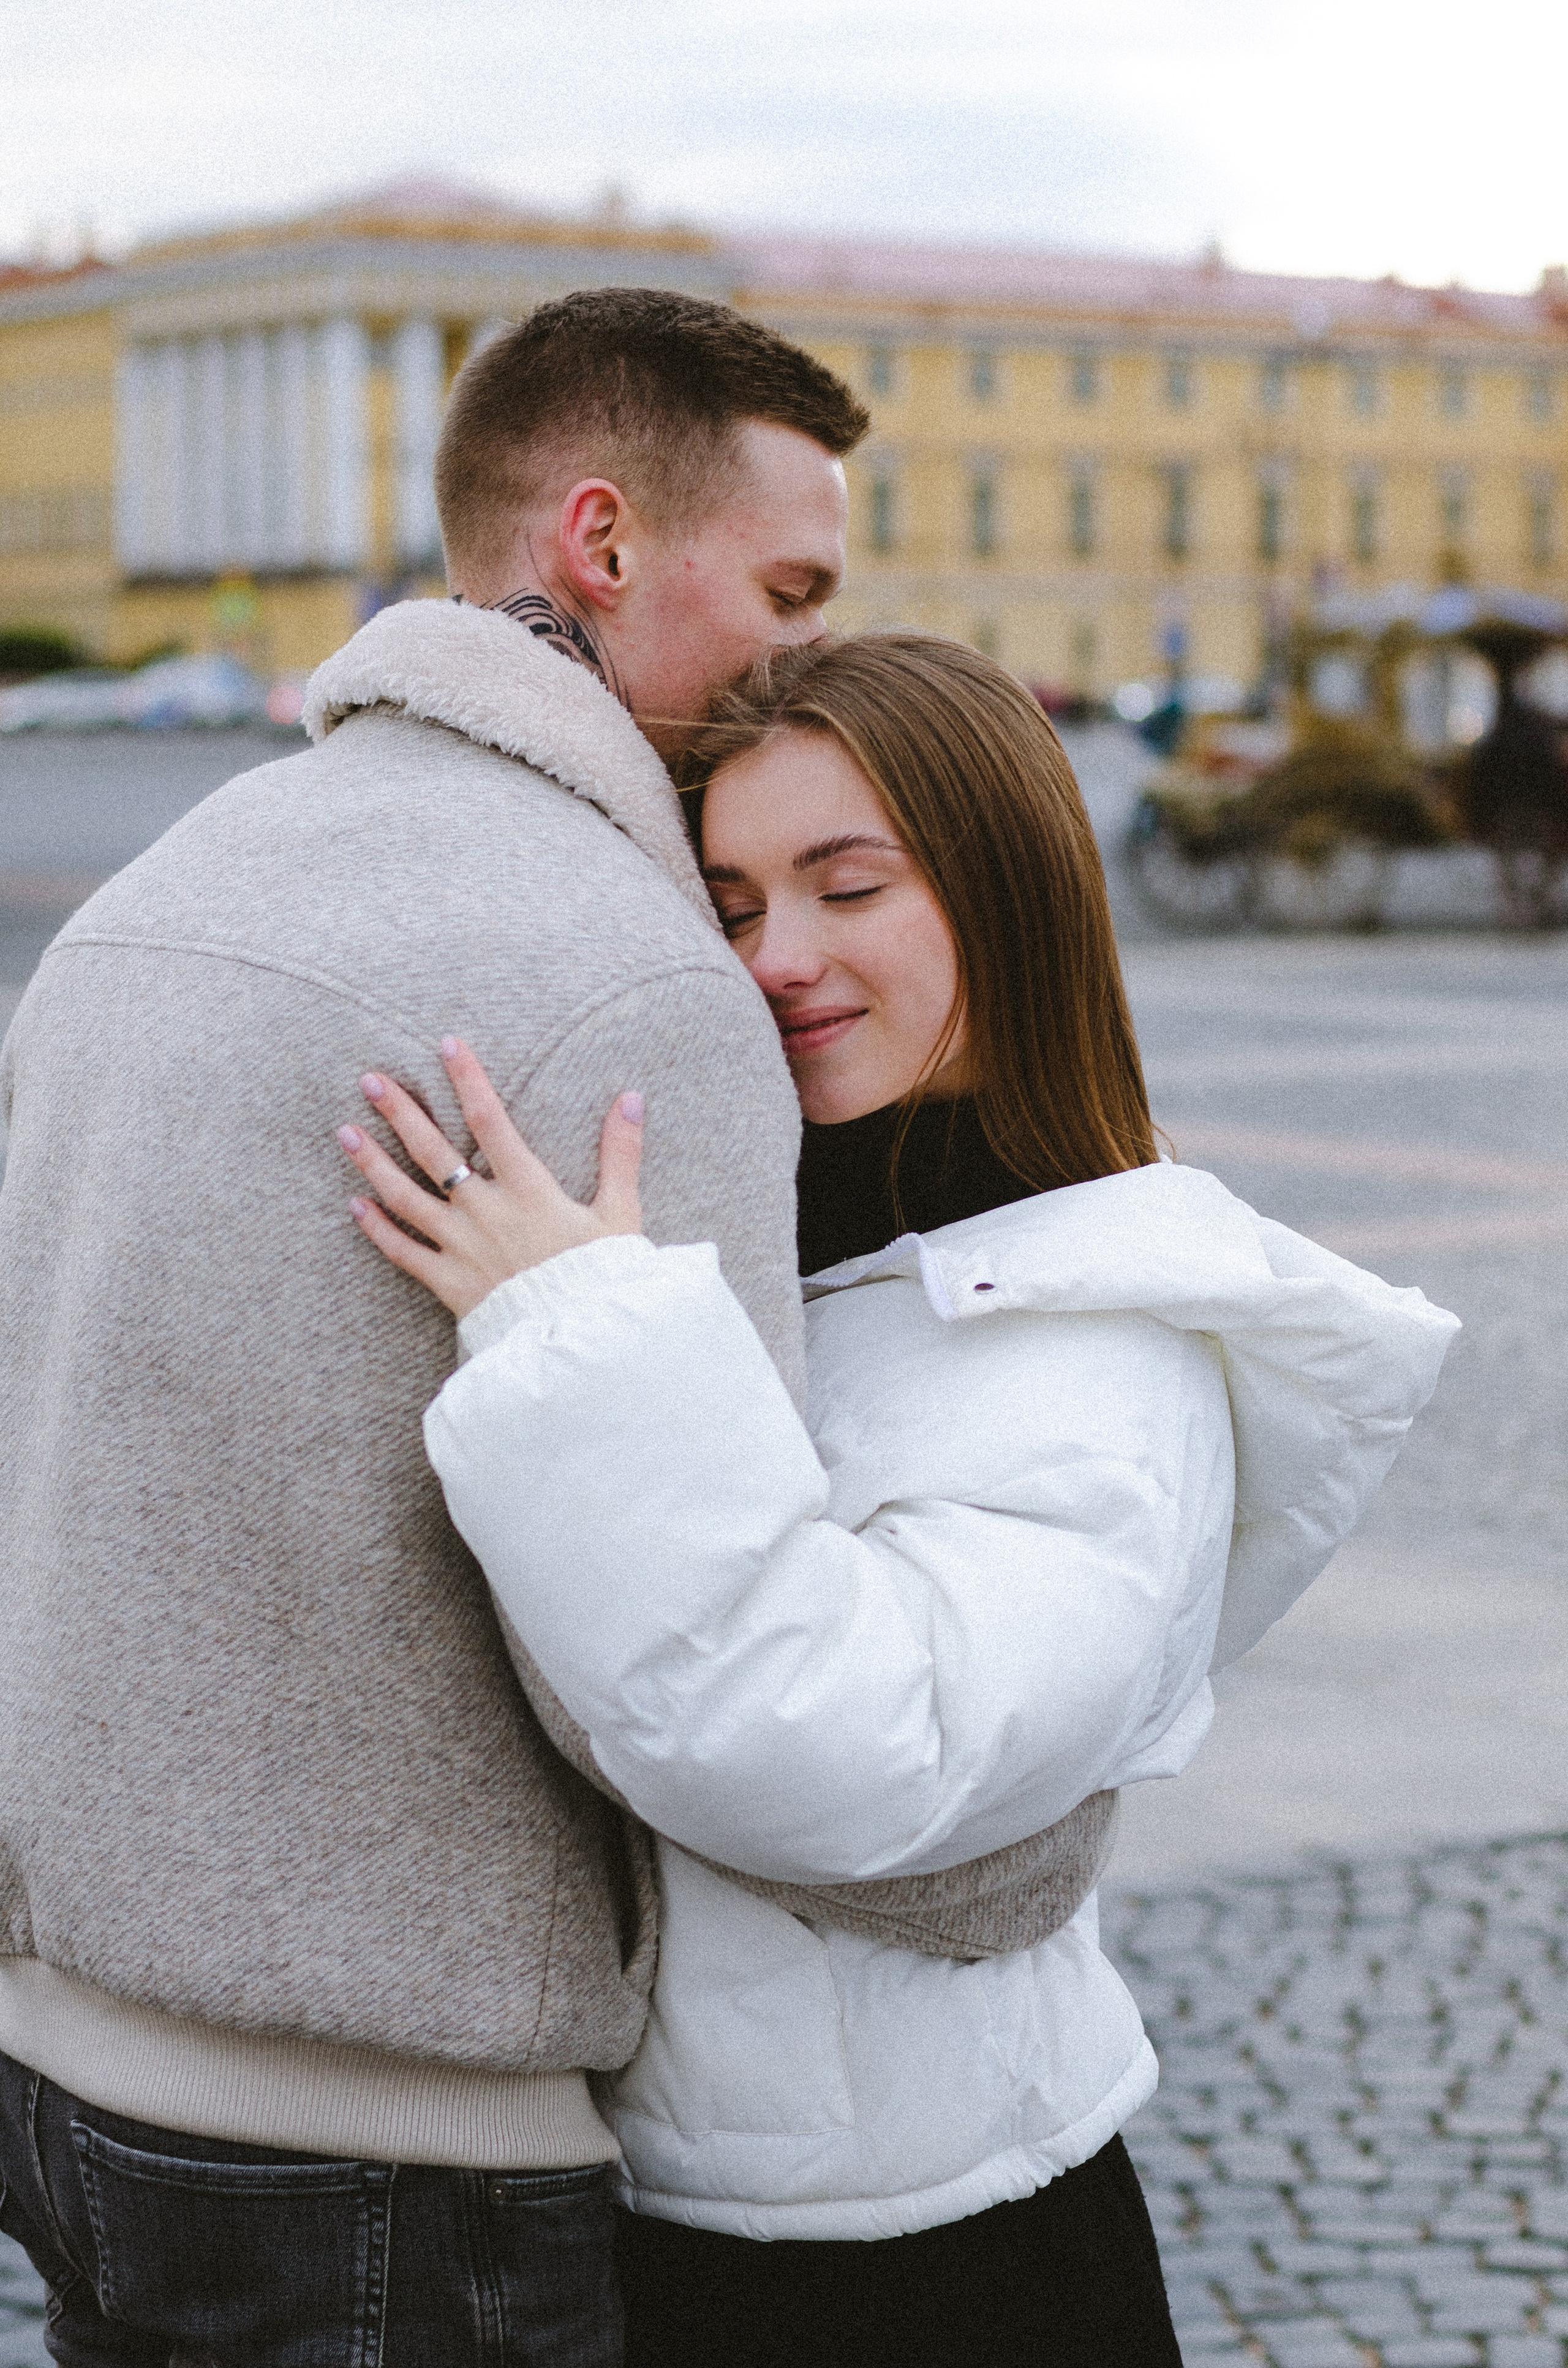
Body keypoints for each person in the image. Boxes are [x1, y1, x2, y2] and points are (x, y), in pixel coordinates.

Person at [332, 632, 1460, 2367]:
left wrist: (566, 1318)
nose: (779, 956)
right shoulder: (813, 1238)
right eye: (729, 902)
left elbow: (852, 1744)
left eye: (846, 884)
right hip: (689, 2201)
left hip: (928, 2259)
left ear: (1008, 898)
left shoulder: (1111, 1339)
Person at [0, 290, 868, 2364]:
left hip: (75, 2061)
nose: (812, 653)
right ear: (599, 541)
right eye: (790, 586)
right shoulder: (638, 989)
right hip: (396, 2128)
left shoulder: (138, 902)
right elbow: (687, 1670)